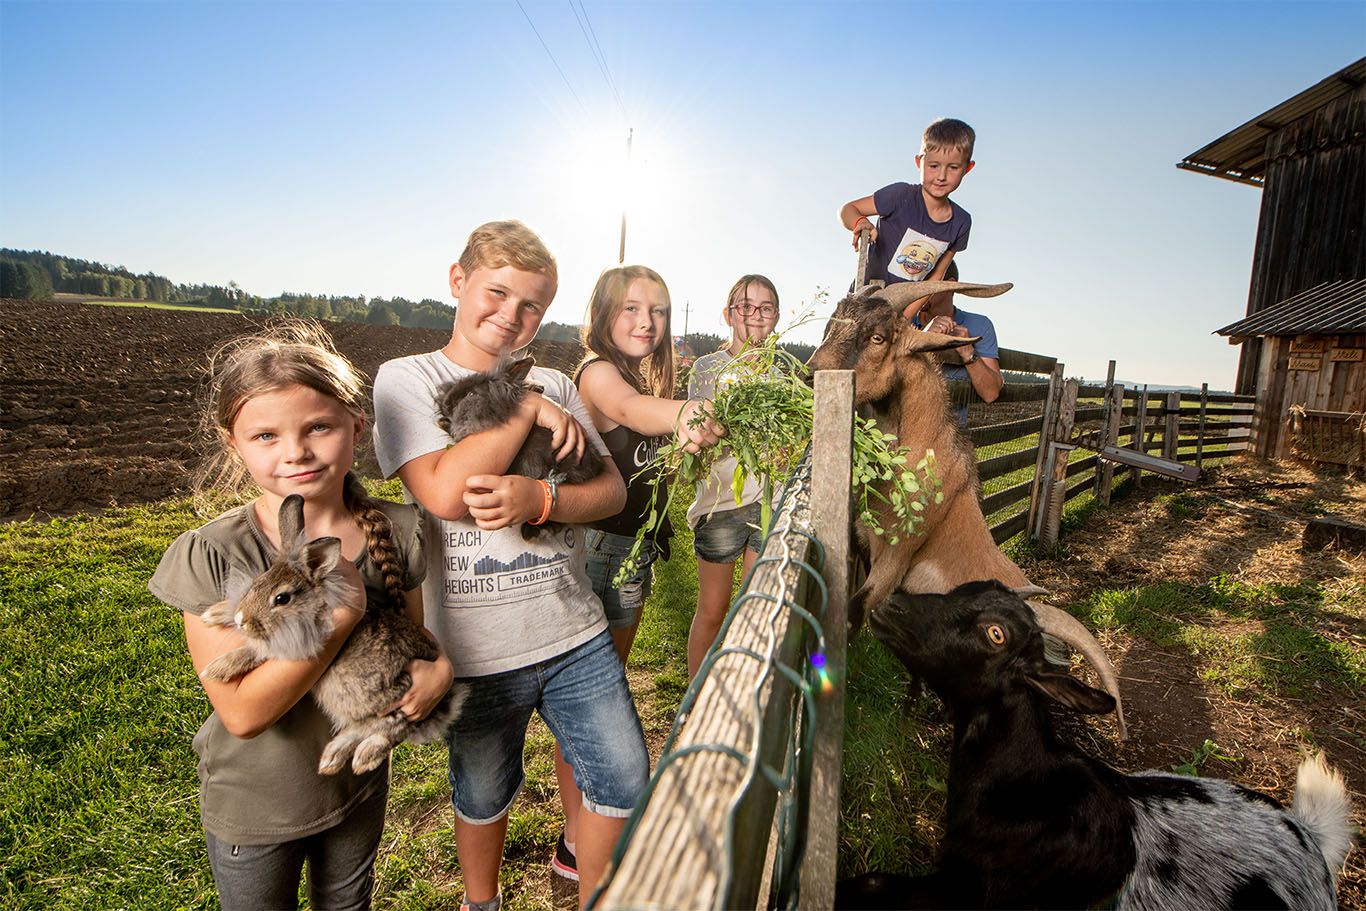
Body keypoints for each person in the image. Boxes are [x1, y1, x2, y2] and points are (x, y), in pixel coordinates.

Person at [370, 220, 648, 911]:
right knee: (484, 787)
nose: (512, 315)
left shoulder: (556, 378)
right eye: (497, 292)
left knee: (623, 775)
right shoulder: (408, 379)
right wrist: (522, 407)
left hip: (573, 629)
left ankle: (596, 899)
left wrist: (542, 498)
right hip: (476, 645)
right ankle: (481, 901)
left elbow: (611, 490)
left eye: (533, 305)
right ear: (458, 281)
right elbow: (442, 491)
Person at [148, 322, 451, 911]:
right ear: (233, 443)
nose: (296, 452)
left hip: (355, 788)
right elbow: (241, 711)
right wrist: (341, 617)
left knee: (347, 902)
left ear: (356, 426)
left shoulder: (398, 528)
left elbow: (413, 638)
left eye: (318, 427)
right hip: (257, 803)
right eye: (266, 435)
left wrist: (439, 669)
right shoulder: (214, 553)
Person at [574, 264, 725, 663]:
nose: (646, 322)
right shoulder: (599, 372)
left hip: (636, 543)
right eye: (631, 308)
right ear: (604, 313)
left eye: (658, 311)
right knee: (603, 672)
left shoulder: (635, 377)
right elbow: (629, 409)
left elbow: (649, 461)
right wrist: (688, 412)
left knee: (614, 666)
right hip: (607, 544)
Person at [685, 274, 781, 677]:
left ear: (777, 317)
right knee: (713, 608)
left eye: (765, 308)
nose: (755, 316)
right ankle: (695, 694)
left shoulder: (782, 375)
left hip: (767, 504)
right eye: (745, 307)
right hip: (721, 503)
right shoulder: (709, 369)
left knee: (753, 606)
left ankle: (743, 690)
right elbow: (706, 428)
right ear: (728, 315)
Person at [839, 117, 976, 286]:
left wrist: (906, 313)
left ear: (967, 168)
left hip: (907, 308)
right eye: (934, 166)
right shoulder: (900, 196)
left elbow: (935, 279)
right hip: (864, 303)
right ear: (919, 162)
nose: (942, 176)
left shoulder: (961, 222)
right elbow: (848, 209)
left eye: (953, 168)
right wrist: (859, 221)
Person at [905, 260, 1004, 423]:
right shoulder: (903, 322)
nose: (917, 290)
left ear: (949, 285)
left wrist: (968, 351)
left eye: (926, 283)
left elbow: (991, 393)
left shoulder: (980, 326)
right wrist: (924, 338)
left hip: (950, 434)